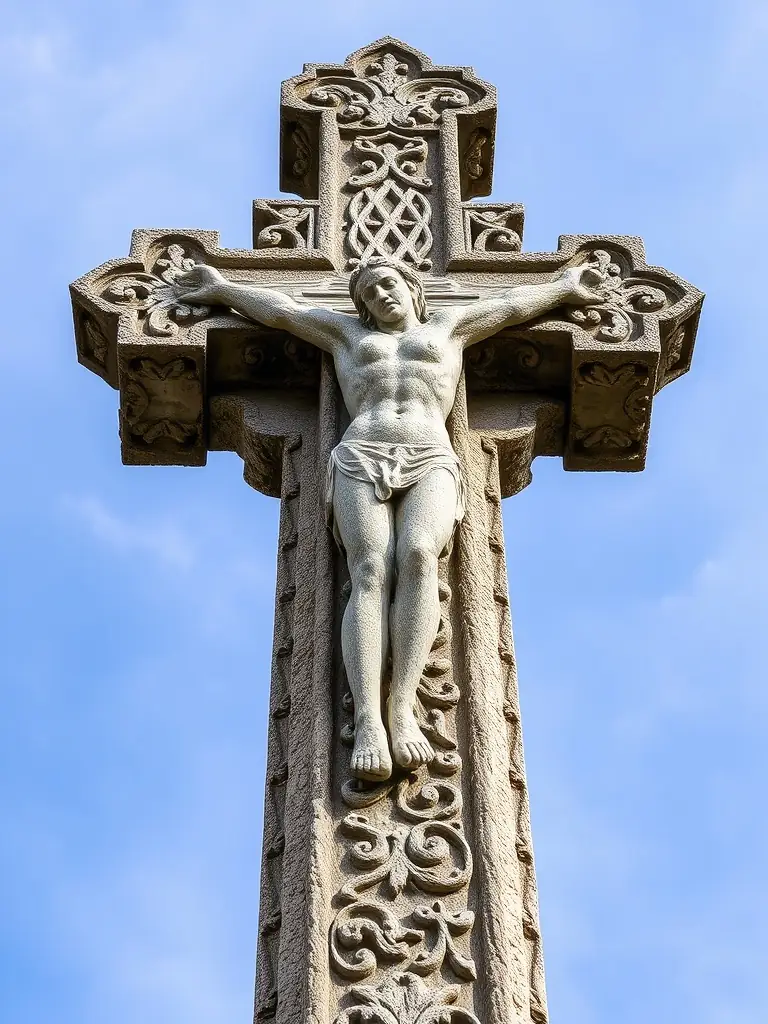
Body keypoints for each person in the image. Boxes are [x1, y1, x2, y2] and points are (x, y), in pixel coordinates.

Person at [176, 256, 605, 781]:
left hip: (429, 453)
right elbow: (283, 310)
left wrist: (564, 287)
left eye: (389, 283)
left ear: (412, 289)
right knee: (370, 570)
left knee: (421, 555)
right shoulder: (347, 337)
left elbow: (509, 304)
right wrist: (222, 289)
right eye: (369, 291)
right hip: (363, 451)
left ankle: (403, 707)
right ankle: (370, 720)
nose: (381, 294)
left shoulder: (448, 329)